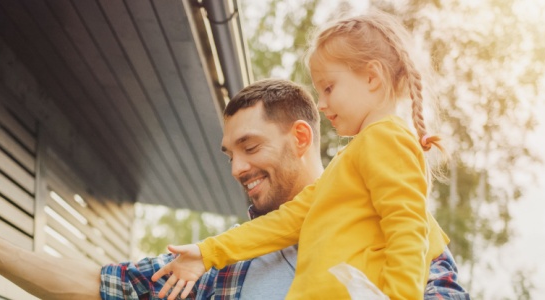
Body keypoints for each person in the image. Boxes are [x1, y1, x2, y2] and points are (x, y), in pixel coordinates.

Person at [0, 78, 468, 299]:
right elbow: (101, 286)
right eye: (229, 154)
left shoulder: (396, 230)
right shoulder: (218, 266)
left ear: (301, 137)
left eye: (250, 146)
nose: (236, 168)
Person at [151, 12, 465, 300]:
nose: (322, 104)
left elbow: (407, 232)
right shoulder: (351, 160)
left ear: (372, 77)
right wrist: (207, 252)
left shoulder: (386, 139)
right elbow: (285, 221)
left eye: (328, 88)